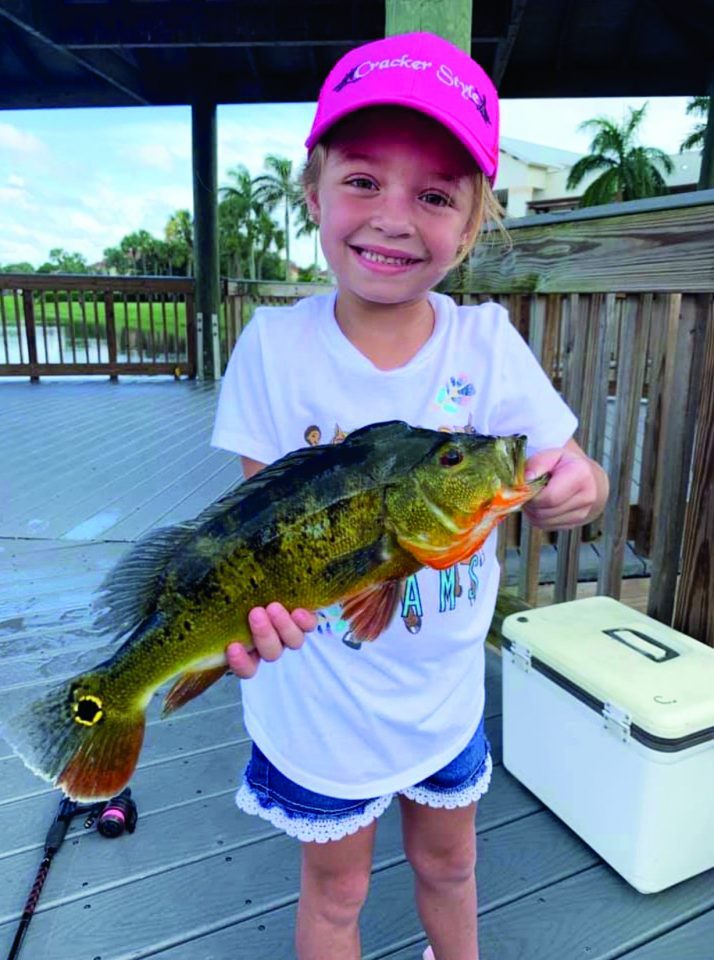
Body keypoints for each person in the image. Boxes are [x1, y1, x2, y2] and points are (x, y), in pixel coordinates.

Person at [211, 31, 609, 960]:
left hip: (445, 697)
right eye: (363, 180)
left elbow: (565, 464)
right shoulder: (273, 347)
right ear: (314, 193)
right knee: (337, 892)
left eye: (433, 196)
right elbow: (257, 526)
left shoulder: (486, 344)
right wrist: (255, 616)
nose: (394, 217)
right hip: (319, 702)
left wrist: (578, 489)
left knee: (452, 865)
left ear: (468, 228)